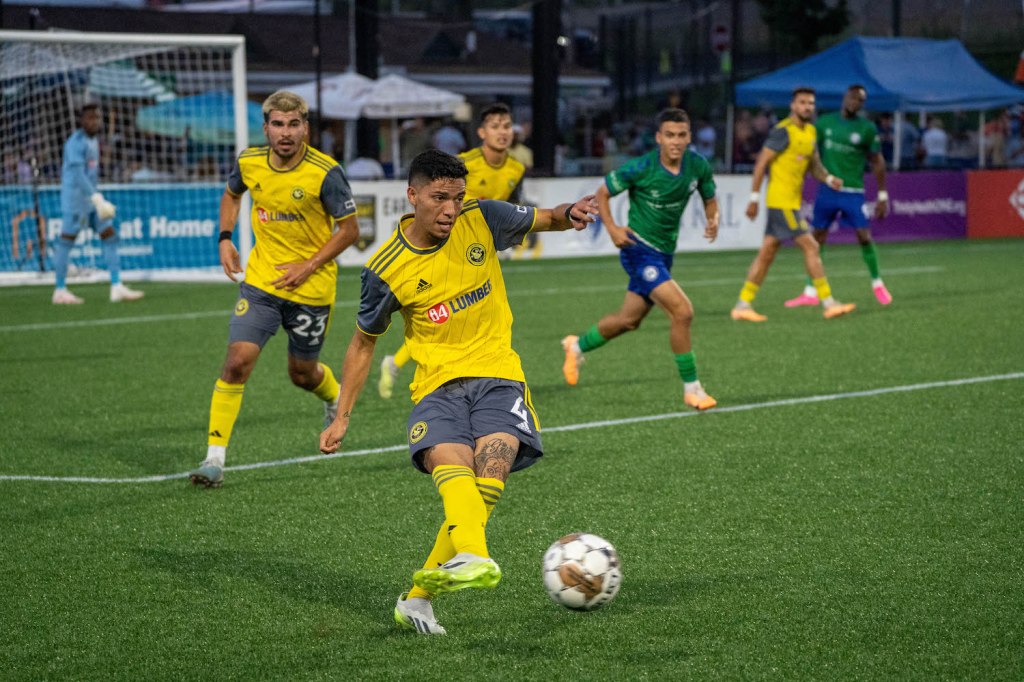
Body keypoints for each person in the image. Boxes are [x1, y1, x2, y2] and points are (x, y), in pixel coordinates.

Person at [319, 149, 599, 635]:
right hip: (437, 386)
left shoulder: (482, 218)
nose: (450, 208)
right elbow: (363, 343)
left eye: (457, 197)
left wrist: (569, 215)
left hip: (498, 375)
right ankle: (450, 573)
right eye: (439, 197)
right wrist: (342, 415)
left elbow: (546, 218)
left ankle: (425, 592)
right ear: (413, 196)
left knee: (488, 479)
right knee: (453, 468)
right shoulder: (385, 269)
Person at [189, 90, 359, 488]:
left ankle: (332, 398)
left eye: (294, 124)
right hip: (262, 283)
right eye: (278, 125)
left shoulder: (326, 172)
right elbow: (232, 194)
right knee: (236, 363)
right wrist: (225, 238)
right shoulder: (248, 161)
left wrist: (309, 265)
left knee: (301, 374)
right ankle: (214, 458)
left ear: (305, 129)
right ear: (266, 127)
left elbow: (350, 230)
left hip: (311, 289)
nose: (285, 133)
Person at [560, 108, 719, 411]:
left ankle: (576, 345)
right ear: (659, 137)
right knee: (683, 313)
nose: (675, 141)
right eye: (669, 135)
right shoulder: (642, 167)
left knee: (628, 321)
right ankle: (693, 389)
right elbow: (603, 192)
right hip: (637, 249)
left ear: (689, 137)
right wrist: (612, 229)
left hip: (663, 253)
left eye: (681, 135)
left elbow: (709, 198)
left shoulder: (698, 166)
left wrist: (714, 219)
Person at [378, 103, 527, 399]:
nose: (503, 133)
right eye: (495, 127)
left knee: (455, 313)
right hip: (446, 248)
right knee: (442, 313)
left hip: (477, 248)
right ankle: (403, 366)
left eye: (507, 126)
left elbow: (510, 204)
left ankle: (394, 363)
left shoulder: (517, 167)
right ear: (482, 133)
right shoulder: (464, 163)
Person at [730, 87, 856, 323]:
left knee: (767, 253)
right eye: (802, 102)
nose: (807, 107)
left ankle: (743, 304)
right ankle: (828, 302)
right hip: (781, 202)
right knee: (811, 246)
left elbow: (814, 165)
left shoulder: (810, 132)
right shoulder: (782, 132)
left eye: (810, 103)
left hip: (790, 203)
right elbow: (761, 164)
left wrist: (828, 179)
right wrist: (754, 199)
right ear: (793, 106)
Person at [784, 84, 893, 308]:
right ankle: (810, 290)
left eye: (860, 100)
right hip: (828, 191)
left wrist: (882, 194)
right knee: (817, 239)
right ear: (845, 98)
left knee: (864, 236)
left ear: (862, 104)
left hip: (853, 192)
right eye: (852, 97)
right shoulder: (825, 123)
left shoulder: (866, 128)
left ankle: (877, 283)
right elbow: (811, 153)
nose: (855, 102)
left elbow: (877, 161)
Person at [51, 104, 144, 305]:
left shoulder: (93, 141)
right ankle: (59, 290)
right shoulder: (75, 143)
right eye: (90, 118)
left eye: (97, 118)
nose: (94, 122)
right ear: (82, 121)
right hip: (75, 200)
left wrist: (95, 198)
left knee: (109, 234)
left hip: (92, 200)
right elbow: (77, 174)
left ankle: (116, 285)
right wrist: (95, 197)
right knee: (67, 240)